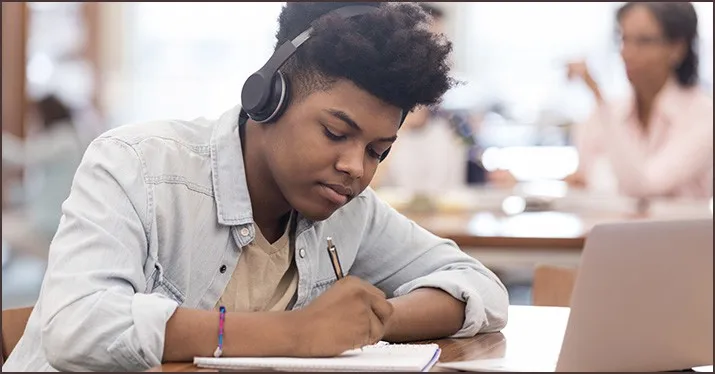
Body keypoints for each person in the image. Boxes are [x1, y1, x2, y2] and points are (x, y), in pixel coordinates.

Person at [4, 3, 508, 372]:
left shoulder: (351, 210)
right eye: (336, 133)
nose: (356, 167)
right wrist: (294, 333)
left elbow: (481, 288)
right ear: (267, 98)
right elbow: (79, 323)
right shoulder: (136, 165)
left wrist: (368, 322)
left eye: (379, 151)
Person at [566, 2, 713, 199]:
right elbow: (586, 181)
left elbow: (643, 187)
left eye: (643, 41)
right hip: (609, 229)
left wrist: (597, 94)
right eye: (624, 39)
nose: (627, 53)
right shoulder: (608, 112)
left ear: (677, 47)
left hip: (682, 231)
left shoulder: (703, 115)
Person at [371, 3, 470, 193]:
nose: (440, 57)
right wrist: (402, 127)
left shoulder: (456, 121)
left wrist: (498, 177)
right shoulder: (375, 113)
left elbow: (478, 170)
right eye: (429, 43)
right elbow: (361, 184)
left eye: (444, 44)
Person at [2, 94, 86, 255]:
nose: (33, 121)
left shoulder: (62, 140)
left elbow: (22, 155)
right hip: (51, 219)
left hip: (50, 224)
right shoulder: (70, 136)